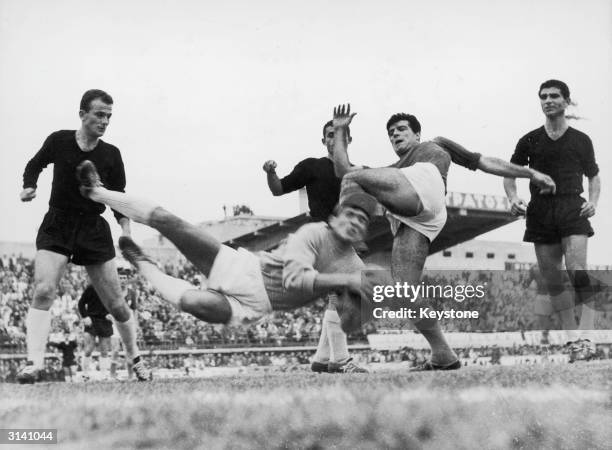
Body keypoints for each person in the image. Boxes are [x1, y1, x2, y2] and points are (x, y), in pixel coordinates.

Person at [331, 104, 556, 371]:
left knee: (354, 178)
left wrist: (530, 173)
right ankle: (443, 355)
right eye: (391, 133)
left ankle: (348, 240)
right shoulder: (390, 170)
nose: (395, 135)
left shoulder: (435, 145)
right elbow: (341, 167)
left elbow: (484, 162)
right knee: (405, 292)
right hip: (420, 219)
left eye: (402, 130)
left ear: (417, 135)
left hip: (427, 183)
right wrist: (341, 130)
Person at [76, 160, 384, 341]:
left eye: (362, 219)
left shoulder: (355, 268)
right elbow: (295, 279)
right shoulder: (314, 233)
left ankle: (142, 263)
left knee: (193, 302)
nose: (355, 221)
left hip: (255, 306)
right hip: (247, 270)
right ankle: (96, 191)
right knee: (170, 222)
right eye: (350, 214)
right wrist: (345, 284)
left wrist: (357, 305)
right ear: (335, 217)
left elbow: (349, 324)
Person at [18, 89, 150, 383]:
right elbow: (34, 164)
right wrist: (30, 185)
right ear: (82, 114)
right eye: (99, 115)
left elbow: (118, 197)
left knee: (116, 304)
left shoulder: (111, 154)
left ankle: (135, 357)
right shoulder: (59, 140)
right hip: (58, 223)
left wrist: (126, 230)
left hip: (93, 227)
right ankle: (32, 364)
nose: (104, 121)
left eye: (109, 117)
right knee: (43, 291)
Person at [503, 79, 601, 360]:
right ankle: (573, 340)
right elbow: (510, 172)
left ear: (566, 101)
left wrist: (593, 203)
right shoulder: (530, 139)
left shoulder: (581, 140)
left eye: (554, 96)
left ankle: (588, 337)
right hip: (541, 210)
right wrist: (513, 198)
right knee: (553, 278)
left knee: (577, 269)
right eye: (543, 96)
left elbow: (594, 175)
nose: (548, 100)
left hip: (572, 205)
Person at [263, 120, 365, 373]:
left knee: (350, 290)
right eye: (330, 135)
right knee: (350, 288)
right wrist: (270, 173)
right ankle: (340, 360)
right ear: (324, 141)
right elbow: (278, 189)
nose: (334, 139)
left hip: (341, 243)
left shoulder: (357, 172)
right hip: (319, 238)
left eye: (339, 135)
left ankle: (322, 358)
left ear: (348, 140)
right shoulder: (313, 166)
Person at [78, 285, 113, 380]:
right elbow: (81, 303)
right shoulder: (91, 288)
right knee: (88, 349)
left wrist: (111, 314)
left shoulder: (111, 287)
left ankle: (104, 375)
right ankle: (85, 374)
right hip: (91, 320)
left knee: (104, 350)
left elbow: (115, 304)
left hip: (105, 321)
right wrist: (85, 317)